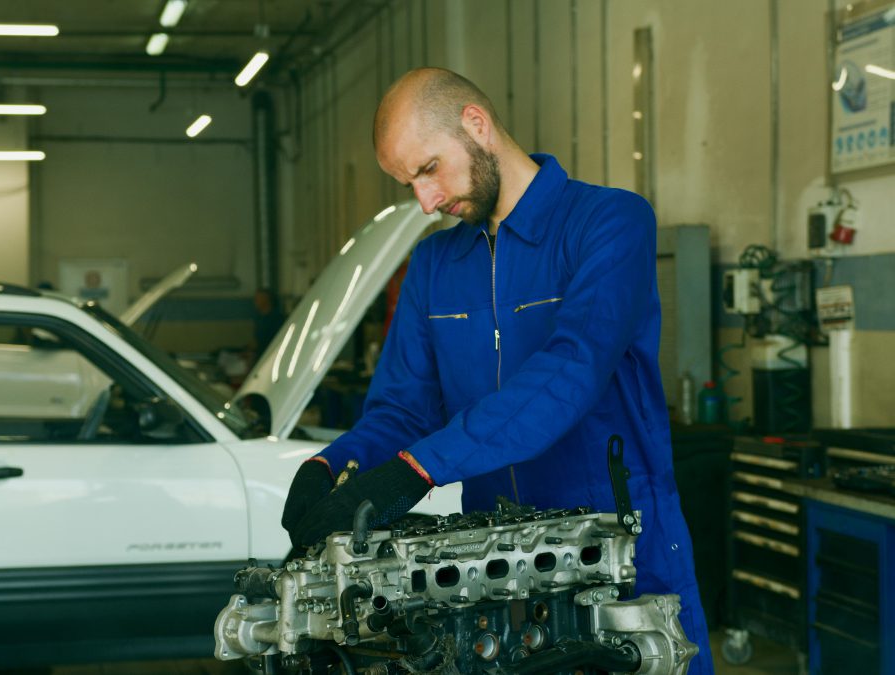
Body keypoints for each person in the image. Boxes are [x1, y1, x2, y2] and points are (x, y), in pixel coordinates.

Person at [280, 67, 713, 674]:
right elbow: (403, 408)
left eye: (427, 169)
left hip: (620, 548)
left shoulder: (610, 223)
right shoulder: (434, 264)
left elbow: (571, 369)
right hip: (491, 571)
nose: (425, 202)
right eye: (409, 183)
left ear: (476, 125)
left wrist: (416, 470)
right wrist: (333, 465)